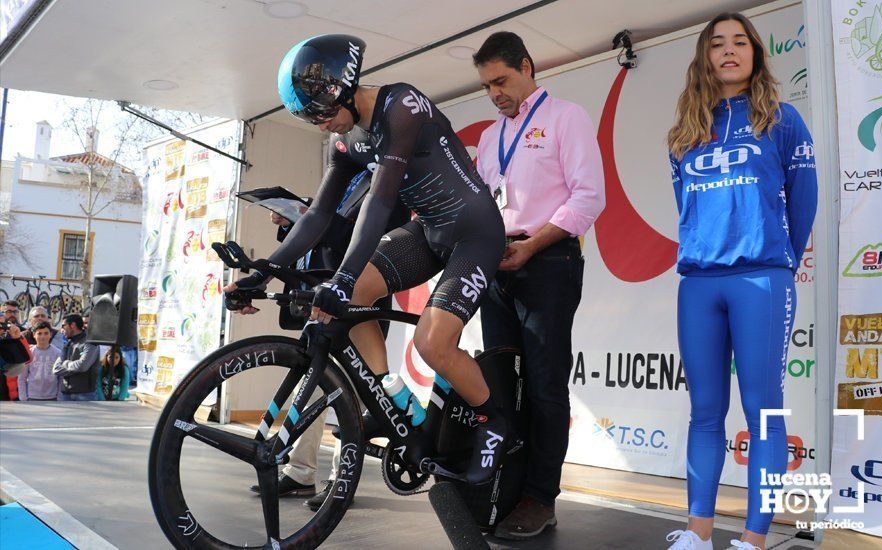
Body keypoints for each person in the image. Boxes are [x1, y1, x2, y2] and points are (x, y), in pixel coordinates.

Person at [230, 33, 510, 484]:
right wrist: (262, 271)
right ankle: (390, 399)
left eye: (320, 114)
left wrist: (340, 277)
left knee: (432, 344)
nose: (321, 127)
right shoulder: (347, 140)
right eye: (308, 119)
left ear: (341, 88)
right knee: (358, 292)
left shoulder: (401, 105)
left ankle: (494, 423)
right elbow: (319, 214)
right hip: (429, 230)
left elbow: (379, 204)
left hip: (475, 233)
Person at [663, 13, 817, 550]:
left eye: (740, 42)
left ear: (755, 52)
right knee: (705, 410)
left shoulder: (782, 118)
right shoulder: (685, 130)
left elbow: (804, 200)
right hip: (700, 283)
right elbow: (687, 207)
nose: (729, 51)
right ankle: (698, 533)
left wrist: (778, 263)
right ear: (705, 56)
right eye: (717, 44)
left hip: (761, 279)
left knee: (764, 409)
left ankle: (753, 540)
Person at [471, 32, 605, 539]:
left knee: (546, 386)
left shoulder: (566, 117)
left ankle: (540, 498)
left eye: (501, 81)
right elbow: (487, 203)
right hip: (495, 264)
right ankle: (504, 487)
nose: (495, 94)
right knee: (499, 385)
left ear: (527, 67)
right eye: (486, 86)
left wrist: (533, 244)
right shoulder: (488, 137)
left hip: (548, 259)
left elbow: (589, 198)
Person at [240, 166, 408, 507]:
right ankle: (301, 473)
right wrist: (294, 223)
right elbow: (318, 238)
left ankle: (341, 478)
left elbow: (371, 241)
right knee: (311, 386)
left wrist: (317, 221)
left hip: (358, 299)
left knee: (353, 393)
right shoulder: (345, 178)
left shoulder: (390, 180)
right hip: (323, 298)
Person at [53, 314, 101, 401]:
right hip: (65, 394)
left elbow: (82, 366)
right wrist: (76, 368)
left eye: (64, 326)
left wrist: (66, 363)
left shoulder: (90, 342)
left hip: (85, 394)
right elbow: (56, 369)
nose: (62, 329)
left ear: (73, 325)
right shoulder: (68, 344)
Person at [17, 321, 62, 401]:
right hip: (32, 397)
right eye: (39, 333)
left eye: (46, 333)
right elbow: (22, 378)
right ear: (34, 335)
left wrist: (59, 397)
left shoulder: (58, 353)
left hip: (52, 397)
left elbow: (61, 378)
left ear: (50, 334)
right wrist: (23, 398)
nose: (43, 336)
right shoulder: (29, 353)